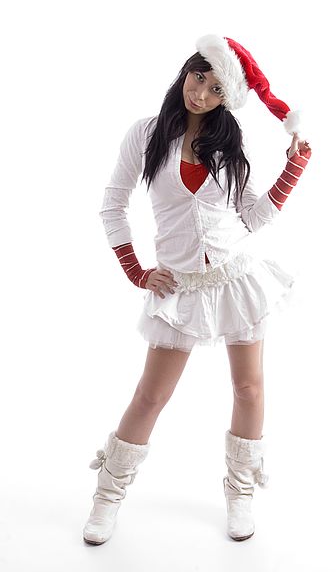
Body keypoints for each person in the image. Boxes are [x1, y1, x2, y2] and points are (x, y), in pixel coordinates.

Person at [83, 34, 312, 546]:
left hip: (235, 280)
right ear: (185, 72)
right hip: (180, 287)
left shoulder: (231, 144)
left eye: (214, 87)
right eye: (197, 77)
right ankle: (108, 495)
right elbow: (112, 205)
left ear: (227, 96)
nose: (200, 93)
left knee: (249, 388)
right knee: (150, 396)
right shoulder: (144, 135)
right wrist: (136, 269)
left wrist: (293, 168)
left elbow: (252, 217)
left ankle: (240, 490)